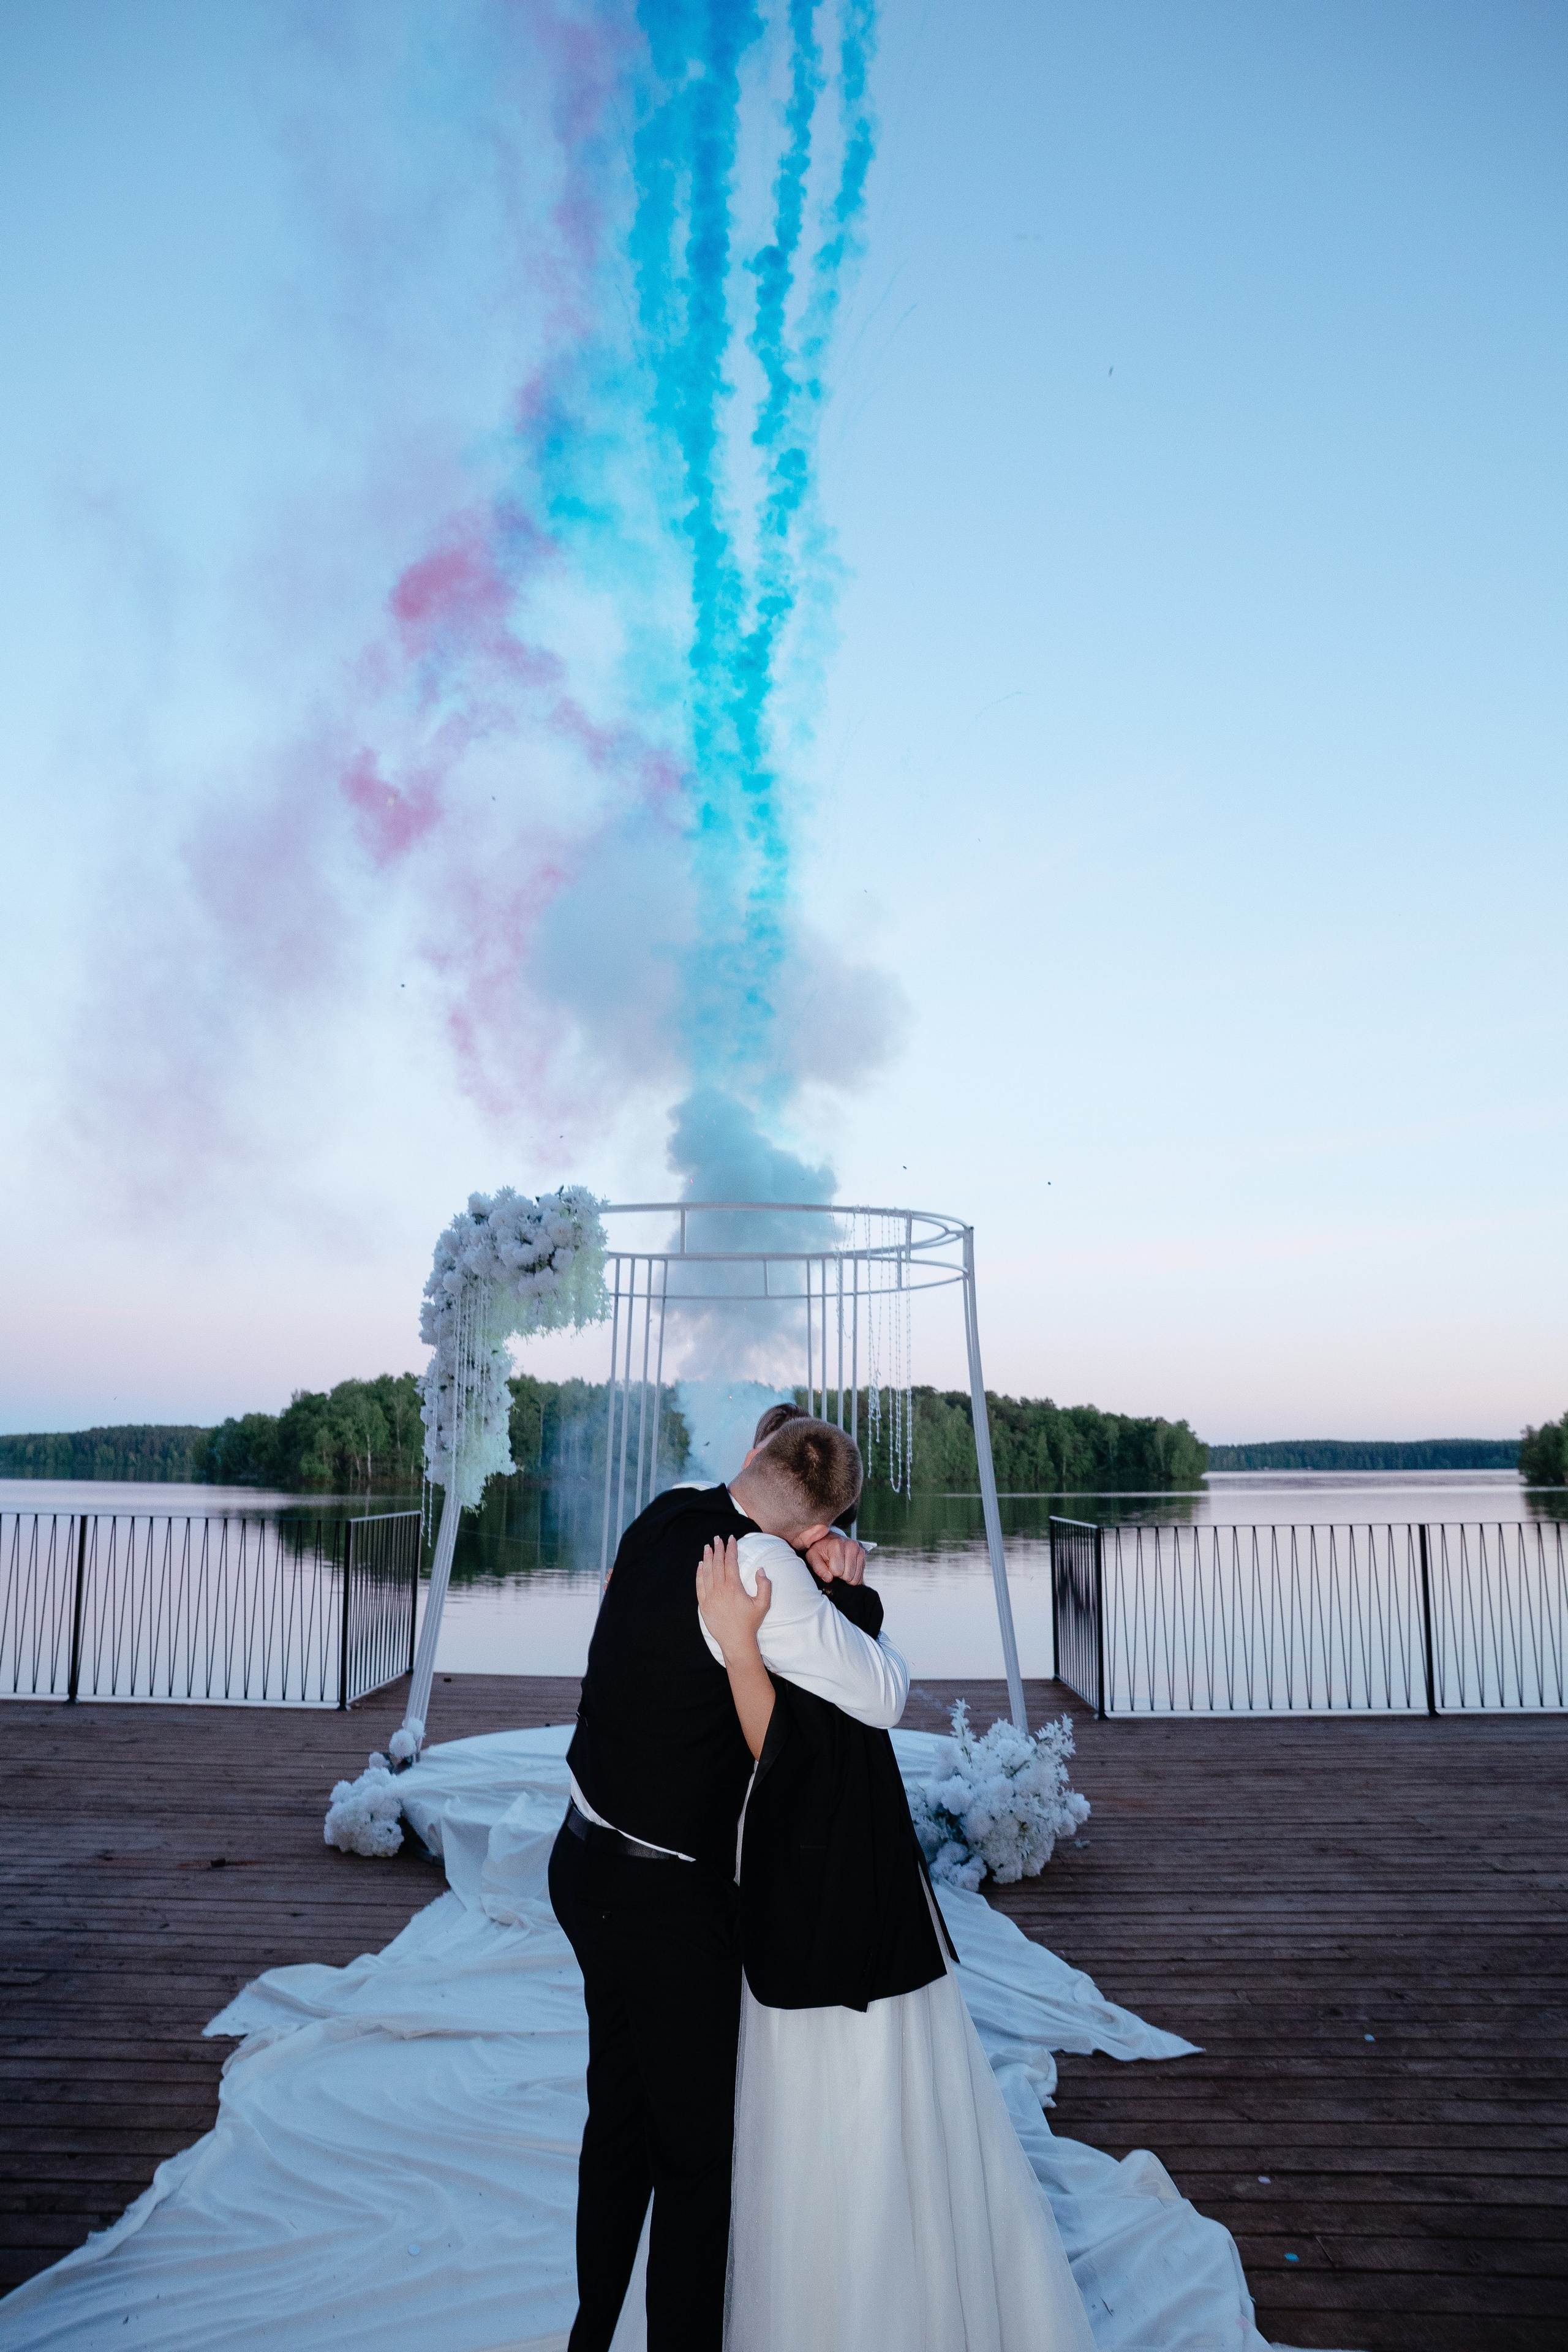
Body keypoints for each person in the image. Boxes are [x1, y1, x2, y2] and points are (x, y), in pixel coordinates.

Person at [698, 1515, 1099, 2351]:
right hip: (840, 1890)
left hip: (850, 1900)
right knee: (862, 2111)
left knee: (876, 2106)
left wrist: (795, 1622)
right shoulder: (809, 1606)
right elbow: (832, 1720)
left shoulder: (809, 1607)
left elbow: (815, 1736)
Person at [549, 1415, 900, 2352]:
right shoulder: (768, 1569)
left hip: (580, 1864)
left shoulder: (662, 1515)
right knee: (697, 2161)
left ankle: (590, 2334)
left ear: (751, 1459)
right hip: (665, 1905)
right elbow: (882, 1695)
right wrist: (850, 1598)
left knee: (617, 2118)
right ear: (822, 1521)